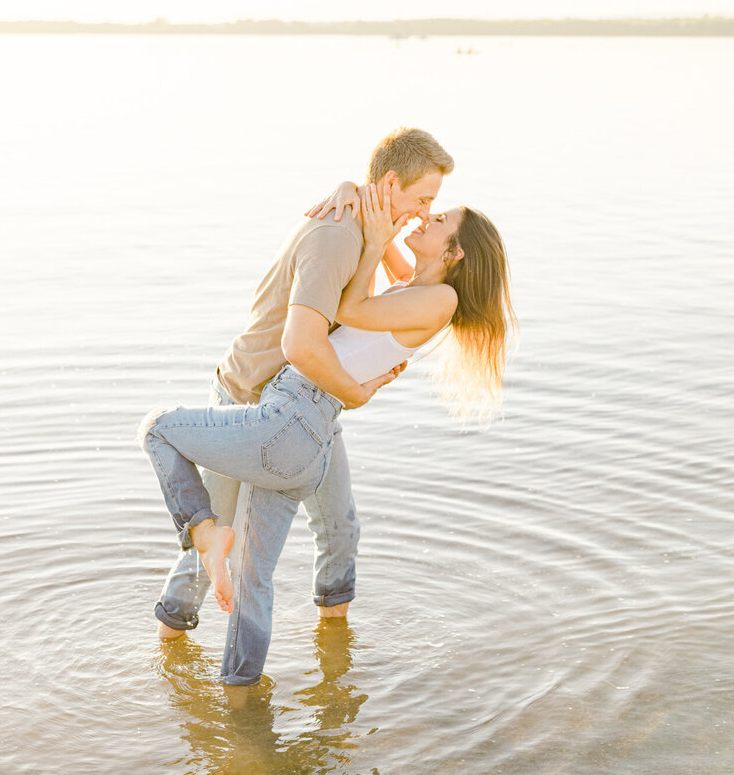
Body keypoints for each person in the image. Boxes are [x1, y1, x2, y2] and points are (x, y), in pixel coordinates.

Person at [140, 181, 517, 686]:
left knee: (158, 432)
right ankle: (244, 688)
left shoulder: (441, 299)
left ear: (456, 250)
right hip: (306, 421)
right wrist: (358, 194)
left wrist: (377, 233)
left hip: (295, 415)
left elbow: (348, 309)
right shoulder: (420, 286)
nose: (426, 218)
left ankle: (204, 539)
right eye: (427, 206)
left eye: (440, 218)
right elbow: (387, 257)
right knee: (256, 574)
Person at [147, 129, 455, 650]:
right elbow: (312, 336)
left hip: (309, 405)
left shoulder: (366, 229)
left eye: (435, 206)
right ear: (390, 183)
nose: (426, 213)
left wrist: (358, 197)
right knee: (214, 546)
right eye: (423, 199)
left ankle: (336, 645)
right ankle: (169, 641)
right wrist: (357, 394)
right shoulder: (340, 234)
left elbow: (398, 290)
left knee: (340, 527)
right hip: (252, 394)